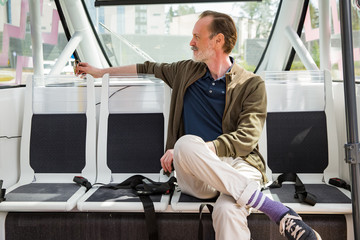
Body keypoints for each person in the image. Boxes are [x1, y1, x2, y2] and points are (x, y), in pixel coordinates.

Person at [76, 10, 322, 240]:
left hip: (240, 165)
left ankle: (264, 205)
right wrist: (100, 72)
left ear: (218, 41)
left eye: (196, 37)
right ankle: (275, 210)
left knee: (228, 211)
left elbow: (247, 137)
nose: (191, 43)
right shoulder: (185, 71)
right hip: (196, 172)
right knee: (184, 145)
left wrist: (207, 148)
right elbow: (147, 68)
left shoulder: (251, 84)